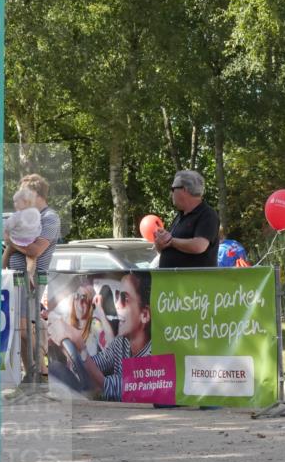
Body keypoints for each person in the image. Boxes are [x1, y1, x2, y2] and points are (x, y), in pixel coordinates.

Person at [5, 174, 61, 382]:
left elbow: (35, 250)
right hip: (15, 279)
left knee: (26, 329)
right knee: (21, 329)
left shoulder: (49, 218)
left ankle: (40, 375)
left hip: (33, 279)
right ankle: (31, 376)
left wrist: (10, 240)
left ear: (36, 195)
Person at [81, 272, 152, 402]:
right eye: (118, 296)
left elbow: (111, 386)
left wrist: (79, 349)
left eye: (125, 298)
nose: (117, 305)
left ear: (145, 315)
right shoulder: (121, 342)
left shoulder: (153, 353)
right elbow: (99, 362)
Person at [154, 170, 220, 268]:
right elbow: (165, 249)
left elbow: (199, 246)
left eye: (172, 189)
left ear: (184, 189)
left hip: (195, 281)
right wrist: (160, 243)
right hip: (174, 281)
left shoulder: (207, 214)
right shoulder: (179, 216)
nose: (171, 193)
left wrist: (171, 241)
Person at [3, 188, 42, 276]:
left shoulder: (18, 215)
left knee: (7, 252)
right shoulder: (36, 213)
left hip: (17, 241)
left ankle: (1, 269)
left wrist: (6, 234)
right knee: (32, 258)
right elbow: (39, 227)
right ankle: (30, 275)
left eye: (16, 201)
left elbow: (7, 226)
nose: (14, 204)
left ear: (25, 202)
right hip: (31, 241)